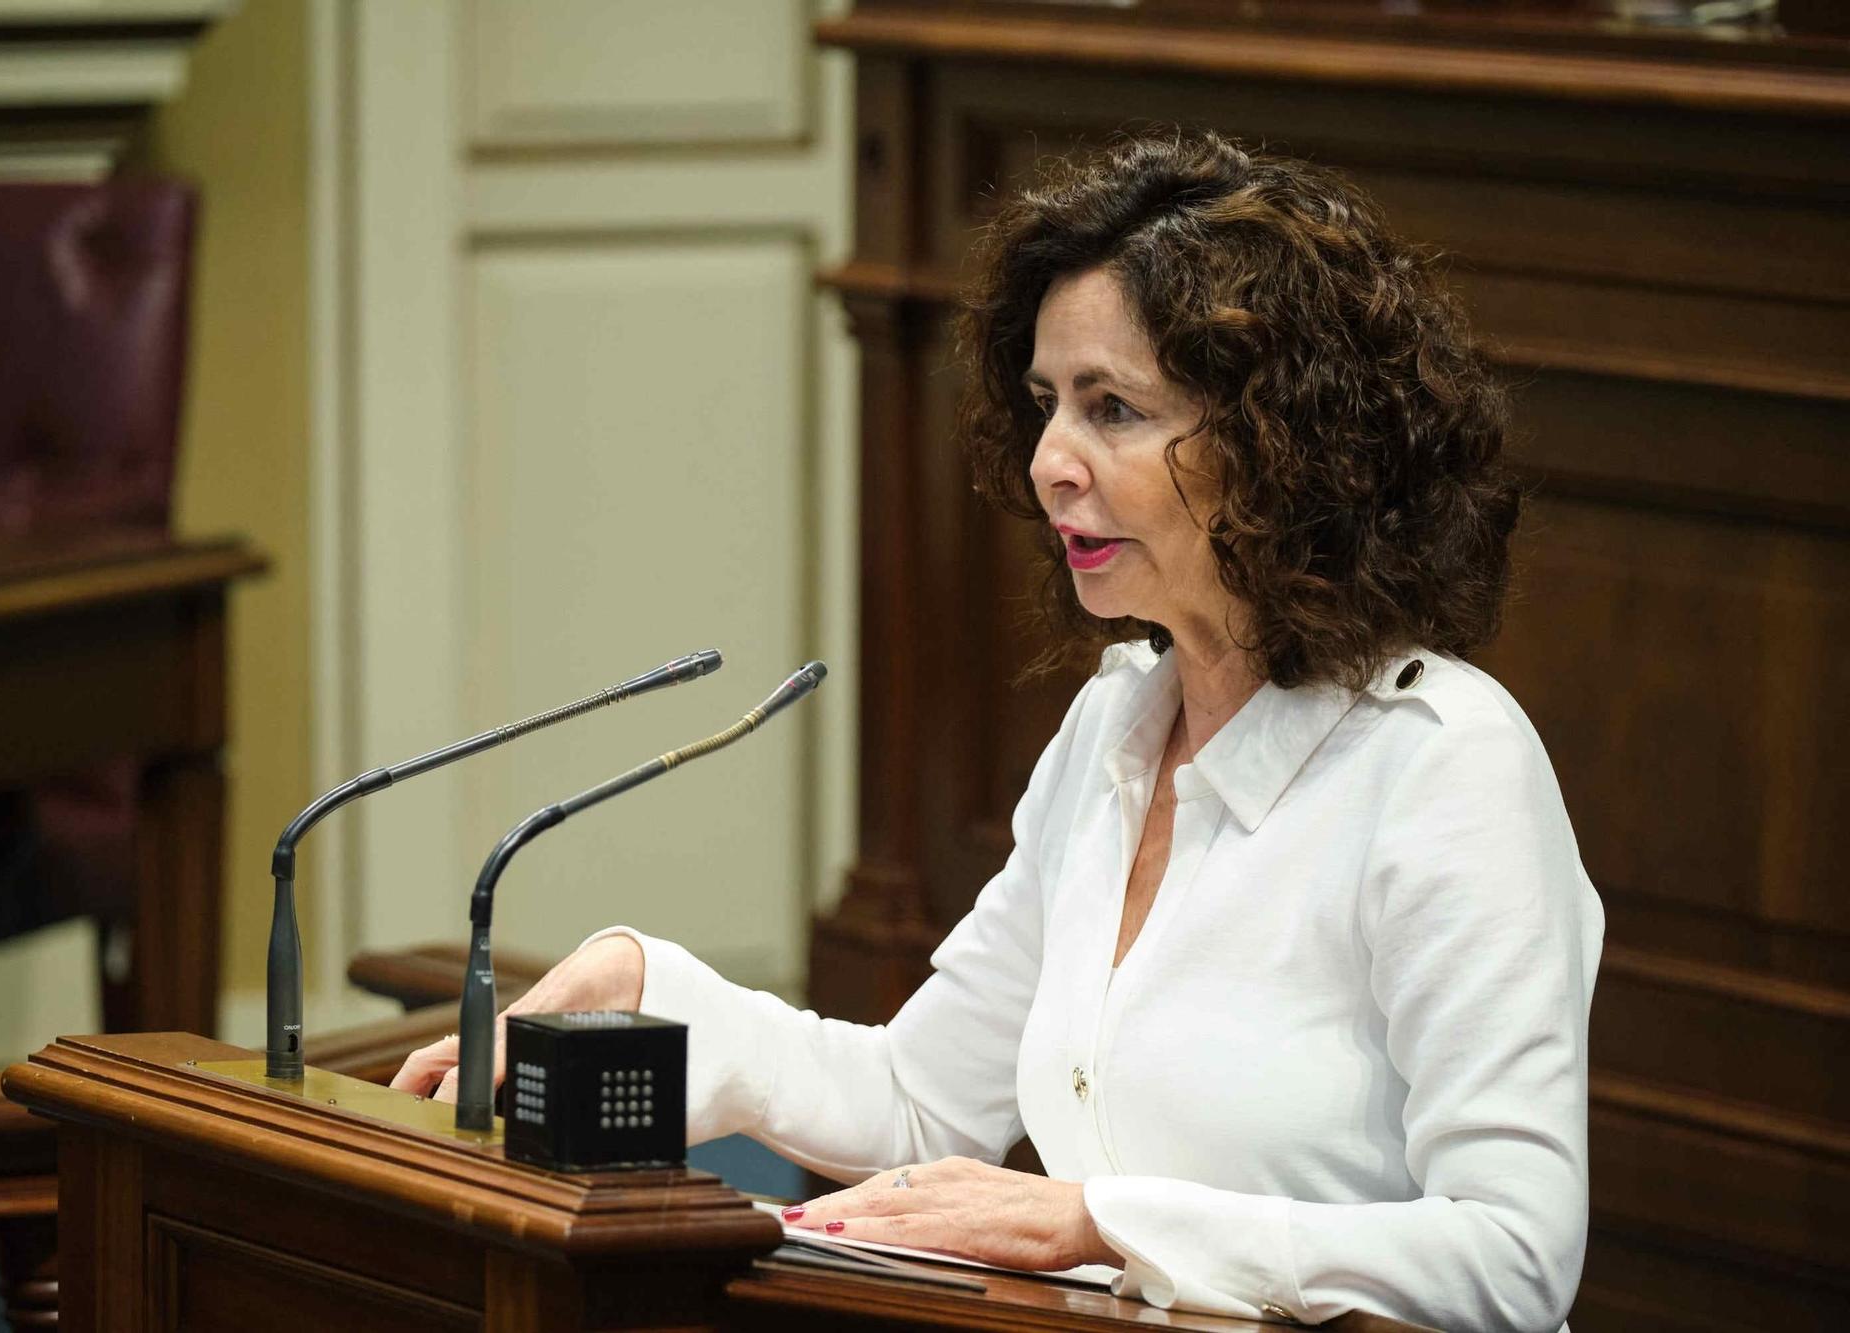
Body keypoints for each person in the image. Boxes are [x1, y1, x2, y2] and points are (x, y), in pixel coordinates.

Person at [393, 128, 1603, 1332]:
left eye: (1111, 409)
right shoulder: (1114, 725)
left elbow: (1509, 1258)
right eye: (1044, 406)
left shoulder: (1442, 765)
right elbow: (920, 1100)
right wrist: (650, 987)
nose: (1046, 464)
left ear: (1278, 445)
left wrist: (1093, 1222)